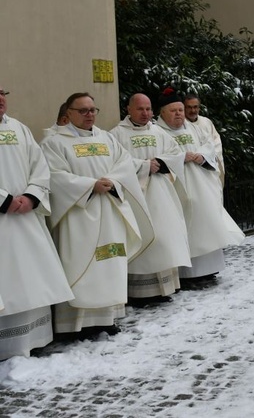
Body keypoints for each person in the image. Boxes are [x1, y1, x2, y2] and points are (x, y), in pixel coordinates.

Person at [41, 92, 153, 338]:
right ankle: (74, 325)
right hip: (78, 214)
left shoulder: (107, 139)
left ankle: (106, 318)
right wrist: (89, 186)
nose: (89, 114)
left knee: (109, 263)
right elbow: (53, 176)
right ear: (68, 113)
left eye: (92, 110)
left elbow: (124, 166)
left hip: (110, 209)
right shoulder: (54, 142)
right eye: (82, 110)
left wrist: (112, 182)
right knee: (80, 264)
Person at [0, 87, 74, 359]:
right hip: (4, 218)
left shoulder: (19, 128)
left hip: (26, 217)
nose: (0, 99)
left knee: (31, 276)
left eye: (2, 93)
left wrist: (31, 196)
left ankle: (35, 339)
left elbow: (39, 166)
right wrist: (5, 200)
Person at [110, 93, 192, 306]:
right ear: (128, 109)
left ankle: (165, 287)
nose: (145, 113)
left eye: (148, 109)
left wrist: (160, 163)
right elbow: (116, 162)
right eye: (140, 109)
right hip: (135, 195)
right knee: (143, 237)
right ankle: (139, 293)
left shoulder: (159, 132)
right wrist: (144, 165)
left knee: (164, 238)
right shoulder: (116, 135)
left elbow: (175, 154)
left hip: (161, 193)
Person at [157, 89, 244, 285]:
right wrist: (181, 157)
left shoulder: (193, 127)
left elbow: (209, 145)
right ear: (162, 113)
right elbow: (159, 156)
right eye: (173, 110)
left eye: (180, 109)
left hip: (201, 184)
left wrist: (202, 155)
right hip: (179, 187)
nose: (179, 114)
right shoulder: (158, 131)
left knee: (207, 222)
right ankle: (188, 275)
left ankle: (209, 269)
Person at [184, 94, 225, 186]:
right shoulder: (180, 125)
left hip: (209, 167)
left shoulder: (206, 122)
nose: (193, 110)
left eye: (195, 107)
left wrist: (206, 157)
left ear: (199, 108)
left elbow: (216, 144)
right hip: (191, 171)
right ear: (184, 108)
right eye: (189, 107)